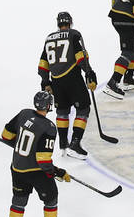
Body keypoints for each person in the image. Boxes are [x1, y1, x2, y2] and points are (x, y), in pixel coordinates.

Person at [0, 91, 70, 217]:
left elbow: (6, 135)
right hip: (35, 172)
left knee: (19, 200)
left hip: (17, 167)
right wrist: (57, 172)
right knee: (51, 198)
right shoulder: (49, 128)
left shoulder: (24, 114)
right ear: (48, 106)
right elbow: (43, 161)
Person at [38, 11, 98, 159]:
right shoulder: (74, 34)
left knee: (62, 111)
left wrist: (45, 81)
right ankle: (75, 144)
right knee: (83, 108)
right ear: (70, 22)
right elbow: (80, 57)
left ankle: (63, 144)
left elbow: (42, 64)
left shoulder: (49, 38)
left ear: (58, 24)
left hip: (56, 80)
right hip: (73, 78)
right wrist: (89, 73)